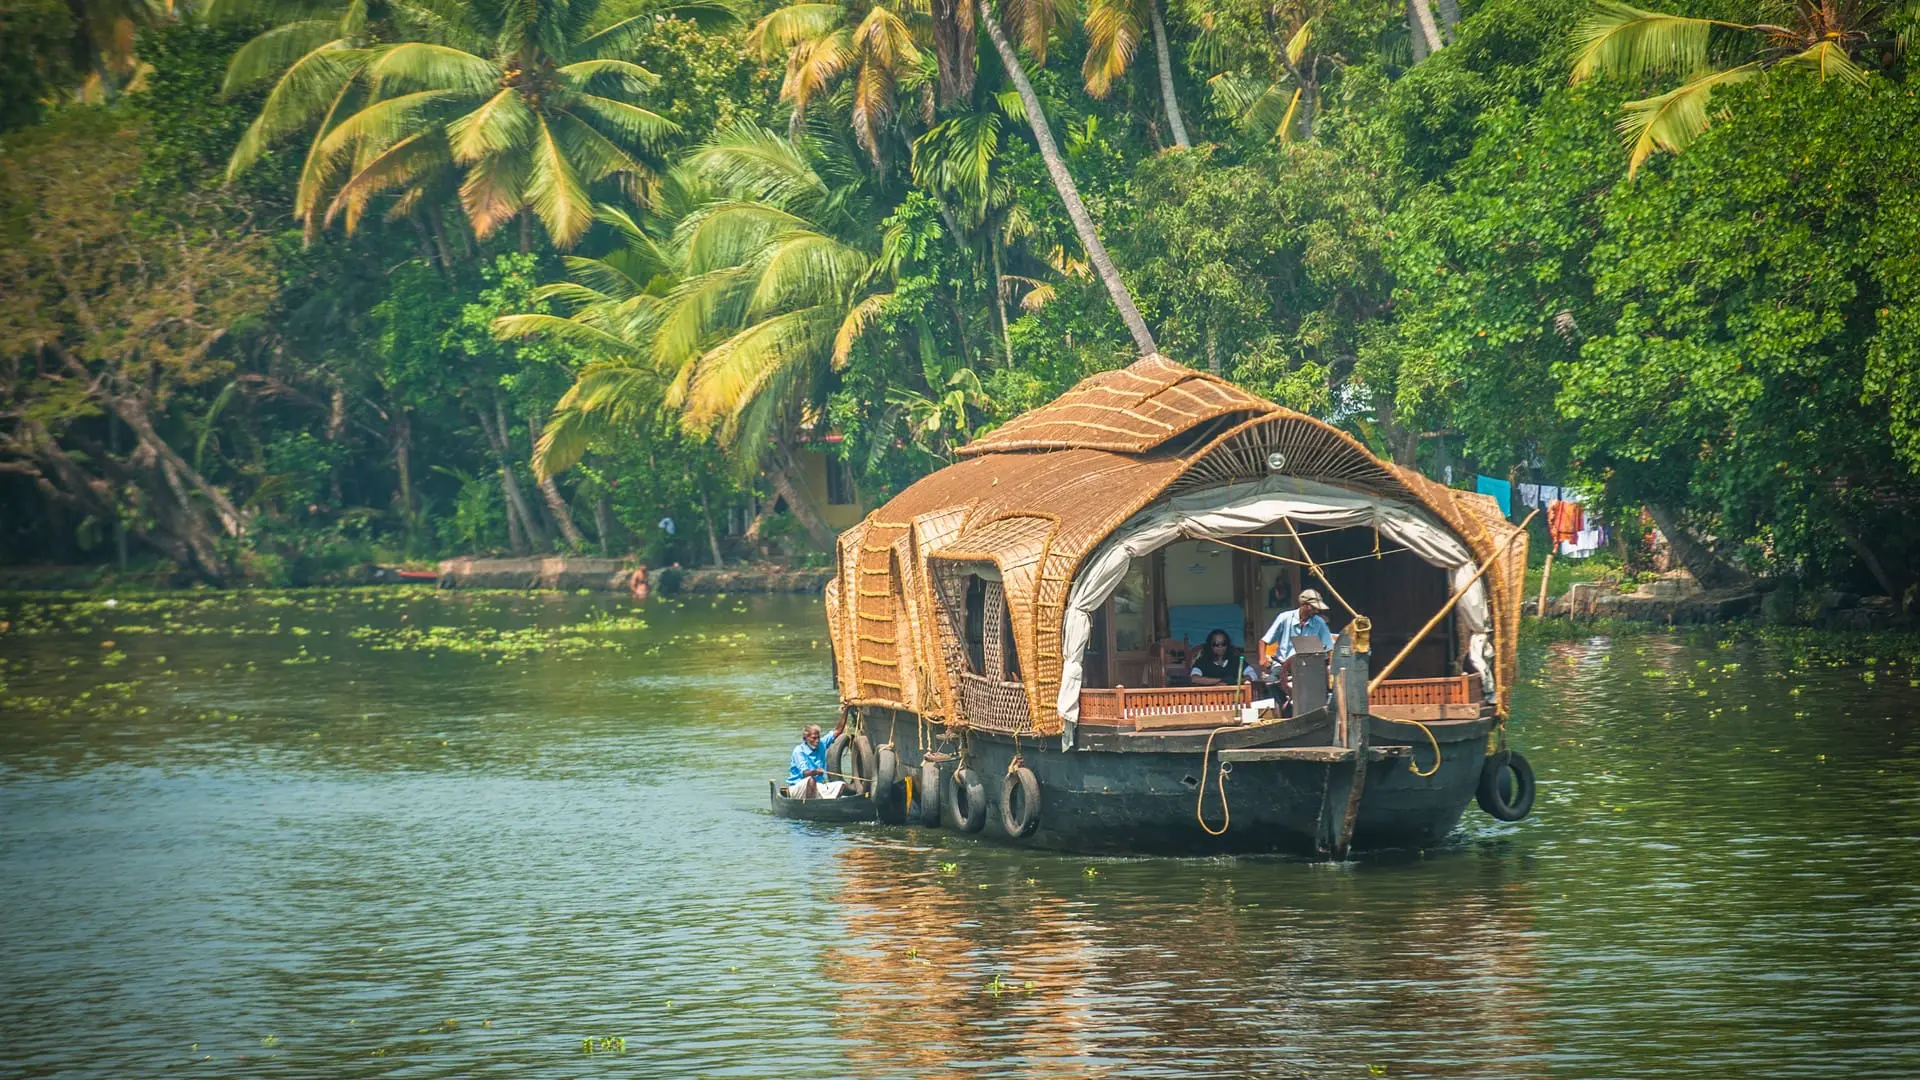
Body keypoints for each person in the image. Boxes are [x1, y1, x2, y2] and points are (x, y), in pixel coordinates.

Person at [1261, 588, 1335, 699]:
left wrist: (1330, 669)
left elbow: (1329, 648)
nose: (1316, 611)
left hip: (1309, 668)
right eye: (1313, 608)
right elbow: (1263, 641)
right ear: (1304, 605)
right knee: (1272, 682)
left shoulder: (1319, 623)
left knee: (1321, 692)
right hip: (1282, 666)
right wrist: (1262, 659)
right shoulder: (1284, 618)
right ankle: (1283, 712)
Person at [786, 715, 849, 800]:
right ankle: (810, 806)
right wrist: (816, 771)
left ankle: (829, 805)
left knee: (841, 785)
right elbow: (805, 773)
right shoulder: (799, 751)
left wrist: (846, 710)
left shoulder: (821, 744)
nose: (817, 740)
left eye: (818, 737)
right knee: (810, 780)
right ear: (806, 738)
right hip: (799, 787)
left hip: (817, 786)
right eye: (814, 738)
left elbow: (838, 730)